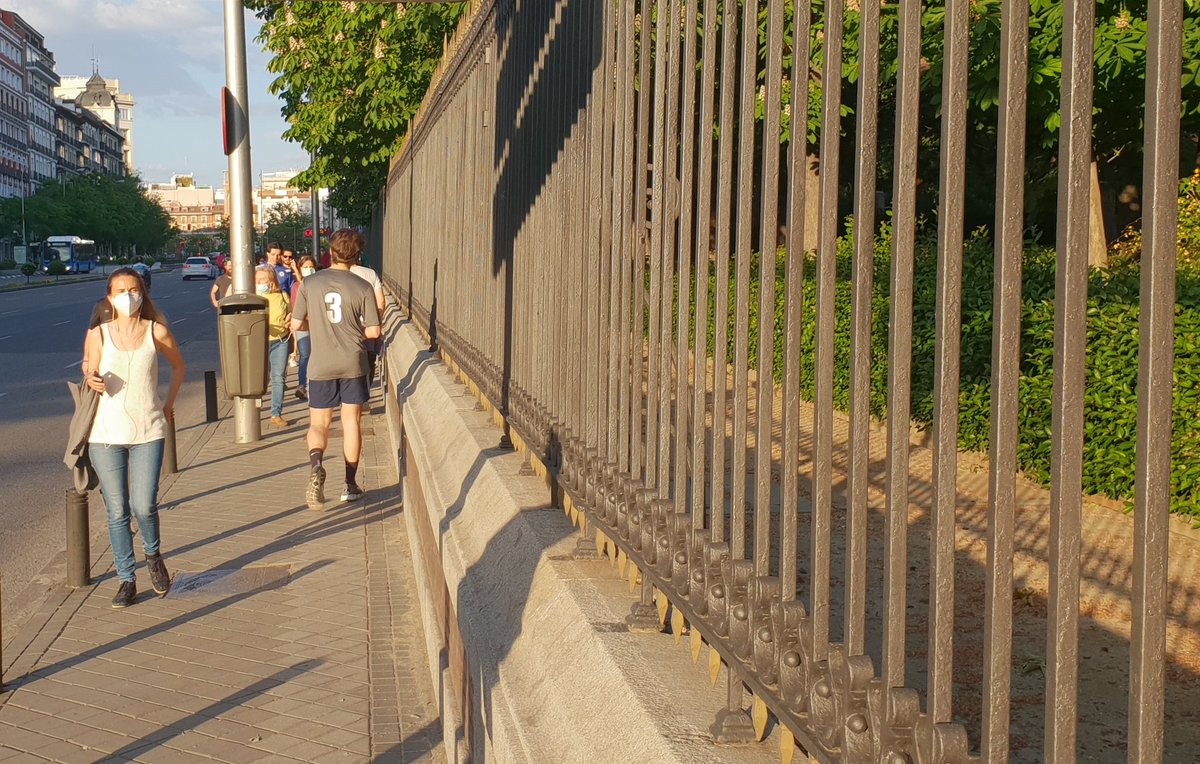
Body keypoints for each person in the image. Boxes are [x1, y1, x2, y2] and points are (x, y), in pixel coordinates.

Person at [82, 268, 185, 608]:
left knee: (143, 505)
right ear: (109, 297)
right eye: (122, 290)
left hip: (148, 429)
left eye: (134, 289)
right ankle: (127, 578)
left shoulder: (157, 330)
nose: (129, 295)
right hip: (105, 433)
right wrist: (92, 378)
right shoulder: (98, 334)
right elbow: (89, 368)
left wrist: (167, 405)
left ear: (143, 293)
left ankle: (153, 555)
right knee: (116, 511)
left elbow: (179, 367)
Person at [291, 229, 381, 507]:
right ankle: (350, 484)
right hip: (352, 361)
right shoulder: (362, 285)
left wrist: (315, 326)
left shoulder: (310, 284)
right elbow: (374, 330)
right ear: (357, 254)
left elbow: (295, 324)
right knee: (351, 421)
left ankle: (316, 463)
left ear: (330, 251)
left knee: (319, 422)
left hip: (321, 363)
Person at [256, 266, 292, 427]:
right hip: (259, 343)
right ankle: (253, 412)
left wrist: (289, 318)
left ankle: (275, 413)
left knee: (278, 378)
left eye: (262, 279)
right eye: (256, 280)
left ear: (271, 281)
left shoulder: (282, 296)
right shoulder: (253, 297)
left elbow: (291, 313)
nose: (259, 283)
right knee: (258, 379)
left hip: (280, 340)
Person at [348, 254, 387, 390]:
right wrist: (377, 322)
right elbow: (381, 301)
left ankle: (349, 395)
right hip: (367, 325)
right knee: (368, 360)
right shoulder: (370, 273)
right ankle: (364, 394)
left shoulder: (335, 275)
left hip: (345, 326)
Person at [291, 255, 318, 401]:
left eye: (311, 267)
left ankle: (314, 384)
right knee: (305, 354)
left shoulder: (319, 284)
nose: (309, 269)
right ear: (300, 269)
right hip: (303, 325)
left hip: (317, 324)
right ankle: (302, 385)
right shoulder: (296, 286)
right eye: (305, 267)